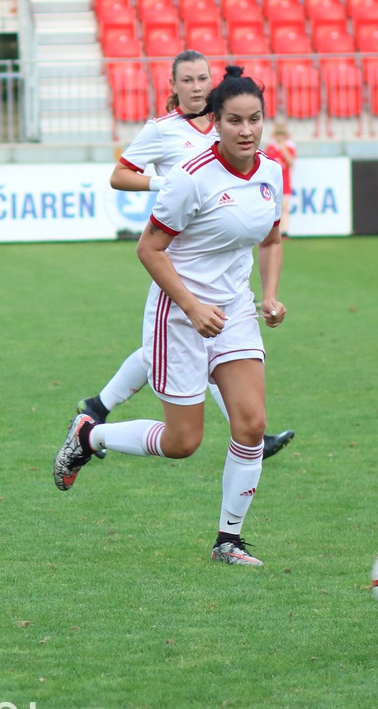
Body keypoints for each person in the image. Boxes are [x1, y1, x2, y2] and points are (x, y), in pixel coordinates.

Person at [54, 67, 286, 567]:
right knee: (183, 442)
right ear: (216, 122)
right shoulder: (190, 178)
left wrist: (269, 296)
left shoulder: (271, 171)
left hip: (235, 311)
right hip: (179, 314)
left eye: (255, 119)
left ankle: (228, 541)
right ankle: (88, 434)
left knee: (251, 425)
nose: (246, 130)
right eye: (235, 121)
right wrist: (192, 306)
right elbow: (149, 248)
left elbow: (271, 239)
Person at [76, 51, 294, 460]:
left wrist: (269, 292)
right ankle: (97, 413)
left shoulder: (229, 131)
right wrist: (163, 183)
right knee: (172, 352)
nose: (197, 87)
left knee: (208, 352)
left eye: (203, 79)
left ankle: (250, 432)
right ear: (173, 86)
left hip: (229, 272)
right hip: (181, 257)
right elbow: (119, 176)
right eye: (188, 80)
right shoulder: (162, 131)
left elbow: (269, 235)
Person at [263, 120, 296, 239]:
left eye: (282, 135)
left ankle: (284, 231)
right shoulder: (270, 147)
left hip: (285, 181)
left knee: (285, 207)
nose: (279, 137)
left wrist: (283, 149)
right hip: (272, 182)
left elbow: (291, 162)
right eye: (278, 134)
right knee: (272, 207)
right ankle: (273, 231)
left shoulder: (289, 147)